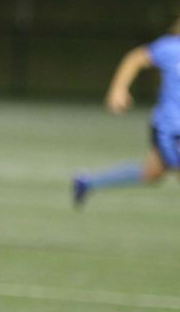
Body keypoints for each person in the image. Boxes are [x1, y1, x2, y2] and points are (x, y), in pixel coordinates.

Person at [72, 15, 180, 207]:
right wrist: (118, 89)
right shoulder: (172, 48)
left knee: (151, 173)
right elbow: (135, 58)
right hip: (171, 129)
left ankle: (87, 183)